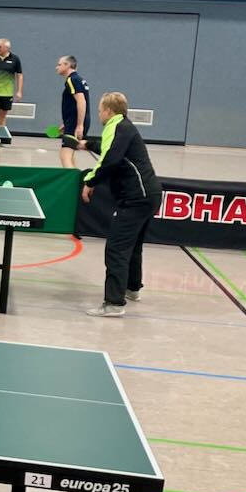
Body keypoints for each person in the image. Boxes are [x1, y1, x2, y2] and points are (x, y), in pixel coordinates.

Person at [80, 91, 162, 317]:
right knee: (132, 246)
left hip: (135, 199)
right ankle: (132, 289)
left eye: (99, 110)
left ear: (108, 111)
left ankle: (114, 303)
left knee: (116, 248)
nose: (99, 114)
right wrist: (87, 144)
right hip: (149, 195)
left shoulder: (115, 127)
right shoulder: (124, 126)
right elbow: (111, 149)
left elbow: (110, 160)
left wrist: (90, 181)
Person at [56, 55, 91, 169]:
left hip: (75, 123)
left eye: (59, 64)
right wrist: (66, 123)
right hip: (73, 122)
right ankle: (74, 177)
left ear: (67, 65)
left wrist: (79, 125)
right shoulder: (78, 79)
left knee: (65, 155)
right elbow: (74, 105)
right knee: (69, 155)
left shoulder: (72, 80)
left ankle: (71, 179)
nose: (57, 67)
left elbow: (81, 101)